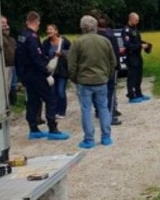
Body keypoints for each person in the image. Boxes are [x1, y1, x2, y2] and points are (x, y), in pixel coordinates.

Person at [15, 11, 69, 140]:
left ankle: (33, 129)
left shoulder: (22, 36)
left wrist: (20, 75)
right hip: (36, 74)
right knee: (50, 99)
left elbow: (18, 57)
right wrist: (46, 73)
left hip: (26, 75)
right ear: (37, 22)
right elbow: (36, 58)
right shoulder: (32, 38)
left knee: (33, 101)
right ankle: (53, 128)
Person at [68, 15, 117, 149]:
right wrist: (107, 75)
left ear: (82, 27)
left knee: (86, 110)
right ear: (95, 26)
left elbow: (71, 65)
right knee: (103, 108)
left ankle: (89, 139)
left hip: (84, 82)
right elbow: (113, 62)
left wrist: (75, 79)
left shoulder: (77, 43)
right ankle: (106, 137)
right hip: (101, 80)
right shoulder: (105, 41)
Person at [42, 24, 71, 120]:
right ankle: (54, 111)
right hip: (51, 70)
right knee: (52, 92)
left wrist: (62, 53)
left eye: (51, 29)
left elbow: (72, 52)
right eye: (47, 29)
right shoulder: (46, 43)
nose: (48, 31)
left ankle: (61, 111)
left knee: (60, 91)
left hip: (62, 69)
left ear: (56, 31)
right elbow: (42, 55)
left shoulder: (64, 41)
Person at [97, 16, 122, 125]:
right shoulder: (111, 36)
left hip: (97, 68)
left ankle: (99, 112)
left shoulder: (93, 37)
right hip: (109, 68)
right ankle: (110, 115)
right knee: (110, 92)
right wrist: (118, 67)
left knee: (98, 92)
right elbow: (116, 53)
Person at [121, 12, 151, 103]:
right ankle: (131, 95)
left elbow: (137, 40)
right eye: (136, 20)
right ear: (131, 19)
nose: (137, 22)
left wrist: (144, 43)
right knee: (132, 76)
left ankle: (139, 93)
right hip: (131, 56)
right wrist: (140, 46)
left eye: (138, 20)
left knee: (139, 75)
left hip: (138, 55)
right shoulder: (126, 30)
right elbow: (128, 44)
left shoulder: (135, 29)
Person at [0, 16, 18, 105]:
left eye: (6, 23)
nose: (6, 25)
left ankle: (12, 103)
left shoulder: (12, 39)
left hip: (14, 65)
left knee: (13, 85)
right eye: (3, 23)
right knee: (6, 86)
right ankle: (5, 104)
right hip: (5, 65)